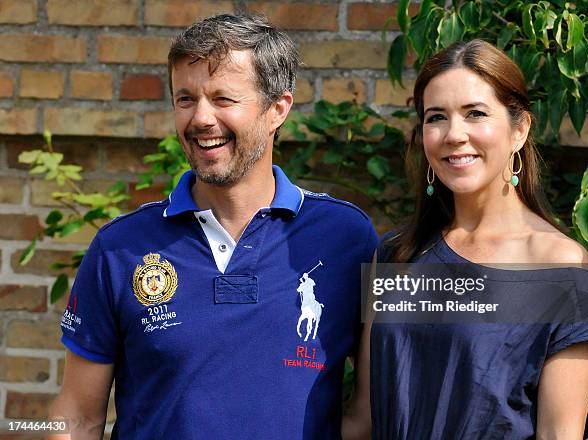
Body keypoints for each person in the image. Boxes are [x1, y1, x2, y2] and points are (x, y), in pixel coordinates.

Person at [49, 14, 377, 439]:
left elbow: (368, 413)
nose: (201, 118)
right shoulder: (120, 247)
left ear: (278, 109)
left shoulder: (347, 237)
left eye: (223, 98)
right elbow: (75, 416)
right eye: (185, 99)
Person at [353, 40, 588, 439]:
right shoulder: (397, 253)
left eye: (475, 113)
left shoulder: (559, 269)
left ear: (519, 129)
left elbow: (559, 434)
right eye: (436, 117)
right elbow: (363, 420)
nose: (454, 134)